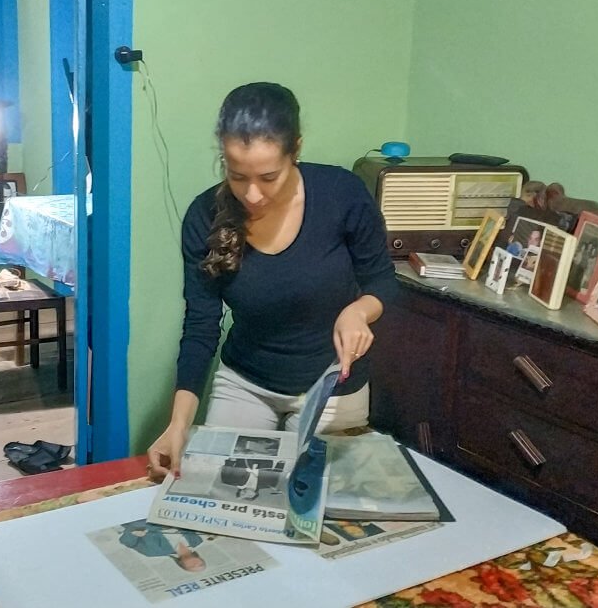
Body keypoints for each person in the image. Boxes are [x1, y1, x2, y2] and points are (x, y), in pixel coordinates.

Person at [146, 83, 396, 481]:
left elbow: (382, 279)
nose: (253, 194)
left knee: (317, 511)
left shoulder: (341, 194)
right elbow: (200, 326)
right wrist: (178, 425)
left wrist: (359, 311)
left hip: (330, 387)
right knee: (222, 500)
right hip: (246, 384)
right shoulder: (204, 215)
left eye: (268, 176)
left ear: (295, 149)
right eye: (236, 175)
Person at [117, 521, 208, 573]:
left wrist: (134, 533)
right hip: (168, 514)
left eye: (192, 566)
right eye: (200, 564)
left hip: (144, 522)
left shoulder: (153, 552)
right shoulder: (197, 540)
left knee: (139, 523)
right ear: (201, 559)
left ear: (182, 565)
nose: (196, 564)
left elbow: (127, 542)